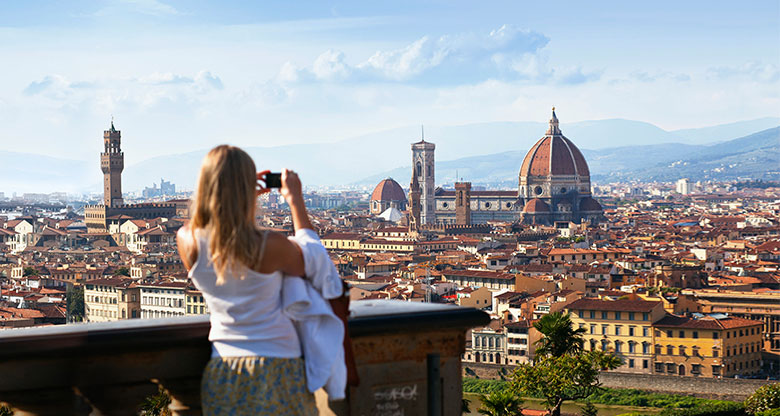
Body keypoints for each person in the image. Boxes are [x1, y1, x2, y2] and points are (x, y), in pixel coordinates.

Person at [177, 145, 340, 415]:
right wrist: (295, 200)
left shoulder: (188, 241)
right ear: (247, 187)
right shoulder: (270, 245)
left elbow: (222, 237)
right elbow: (315, 263)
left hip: (224, 368)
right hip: (279, 366)